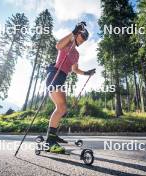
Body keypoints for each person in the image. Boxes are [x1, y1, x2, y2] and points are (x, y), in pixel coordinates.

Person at [45, 22, 96, 153]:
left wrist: (87, 73)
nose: (83, 40)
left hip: (62, 78)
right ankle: (49, 142)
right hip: (55, 74)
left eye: (86, 38)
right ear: (78, 33)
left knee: (62, 108)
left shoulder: (76, 54)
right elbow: (58, 45)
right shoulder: (68, 43)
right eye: (83, 36)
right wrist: (72, 33)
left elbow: (75, 69)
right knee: (61, 107)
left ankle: (52, 135)